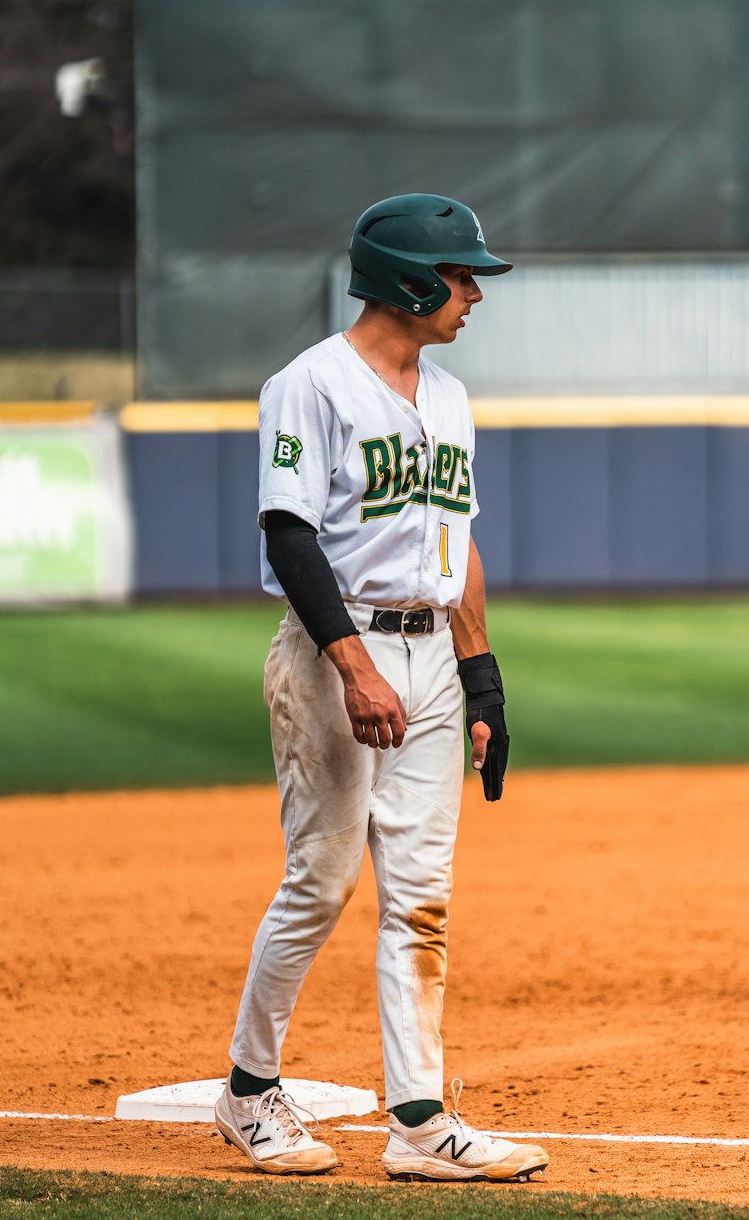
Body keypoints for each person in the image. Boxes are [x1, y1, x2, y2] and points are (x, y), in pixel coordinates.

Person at [214, 193, 549, 1183]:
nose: (474, 291)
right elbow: (288, 530)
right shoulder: (309, 384)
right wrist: (351, 664)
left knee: (423, 896)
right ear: (408, 279)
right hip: (336, 647)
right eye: (460, 274)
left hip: (432, 653)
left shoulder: (445, 395)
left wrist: (479, 675)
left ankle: (419, 1119)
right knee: (321, 878)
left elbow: (456, 540)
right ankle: (246, 1090)